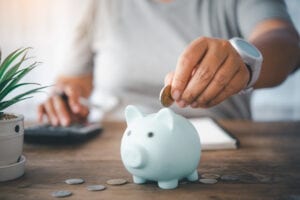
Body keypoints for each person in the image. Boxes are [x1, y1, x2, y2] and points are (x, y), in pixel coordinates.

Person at [38, 0, 300, 126]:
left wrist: (243, 60)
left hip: (220, 147)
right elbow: (72, 84)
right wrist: (65, 103)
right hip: (118, 146)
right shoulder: (102, 4)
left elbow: (285, 41)